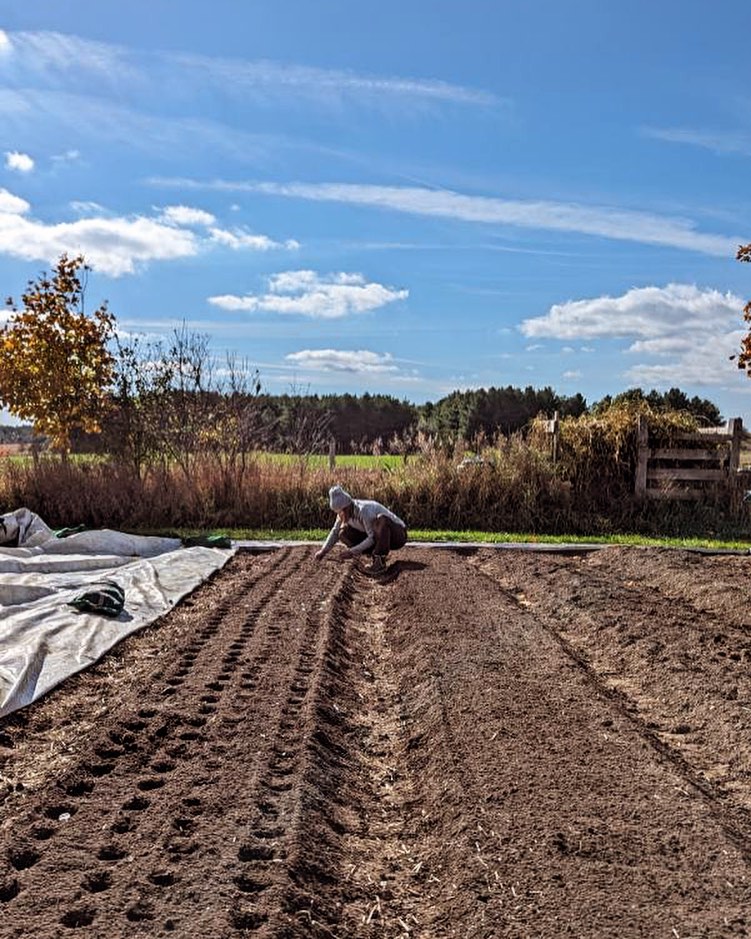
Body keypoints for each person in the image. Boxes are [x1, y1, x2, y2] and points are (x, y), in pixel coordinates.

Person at [314, 485, 407, 573]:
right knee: (343, 533)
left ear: (347, 507)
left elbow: (372, 537)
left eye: (342, 512)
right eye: (338, 513)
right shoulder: (342, 514)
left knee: (381, 520)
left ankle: (379, 561)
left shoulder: (364, 510)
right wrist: (323, 551)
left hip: (398, 536)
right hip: (379, 538)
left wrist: (352, 552)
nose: (340, 515)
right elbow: (335, 532)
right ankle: (372, 554)